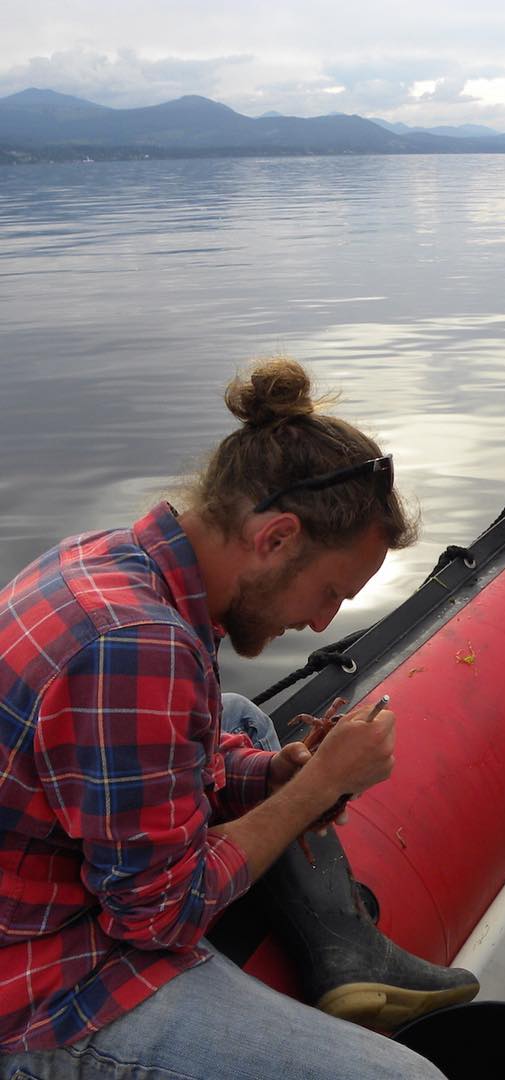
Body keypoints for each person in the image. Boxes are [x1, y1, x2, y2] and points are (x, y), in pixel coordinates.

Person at [0, 357, 478, 1079]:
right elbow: (160, 916)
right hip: (46, 992)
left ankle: (345, 953)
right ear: (276, 538)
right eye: (329, 592)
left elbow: (174, 752)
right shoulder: (137, 646)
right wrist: (313, 791)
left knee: (243, 722)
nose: (322, 623)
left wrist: (277, 775)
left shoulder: (109, 559)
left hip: (48, 875)